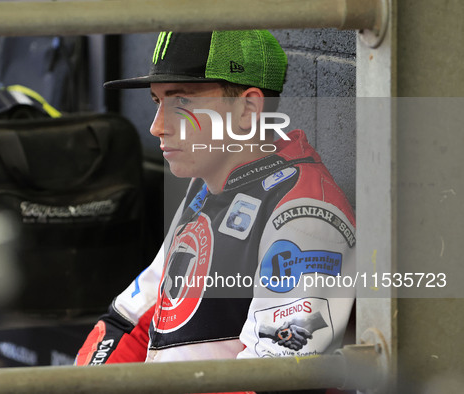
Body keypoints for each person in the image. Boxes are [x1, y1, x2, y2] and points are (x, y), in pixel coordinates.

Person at [75, 29, 355, 386]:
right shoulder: (207, 182)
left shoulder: (304, 216)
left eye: (181, 103)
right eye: (156, 101)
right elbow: (129, 320)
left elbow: (271, 384)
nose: (157, 126)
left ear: (248, 108)